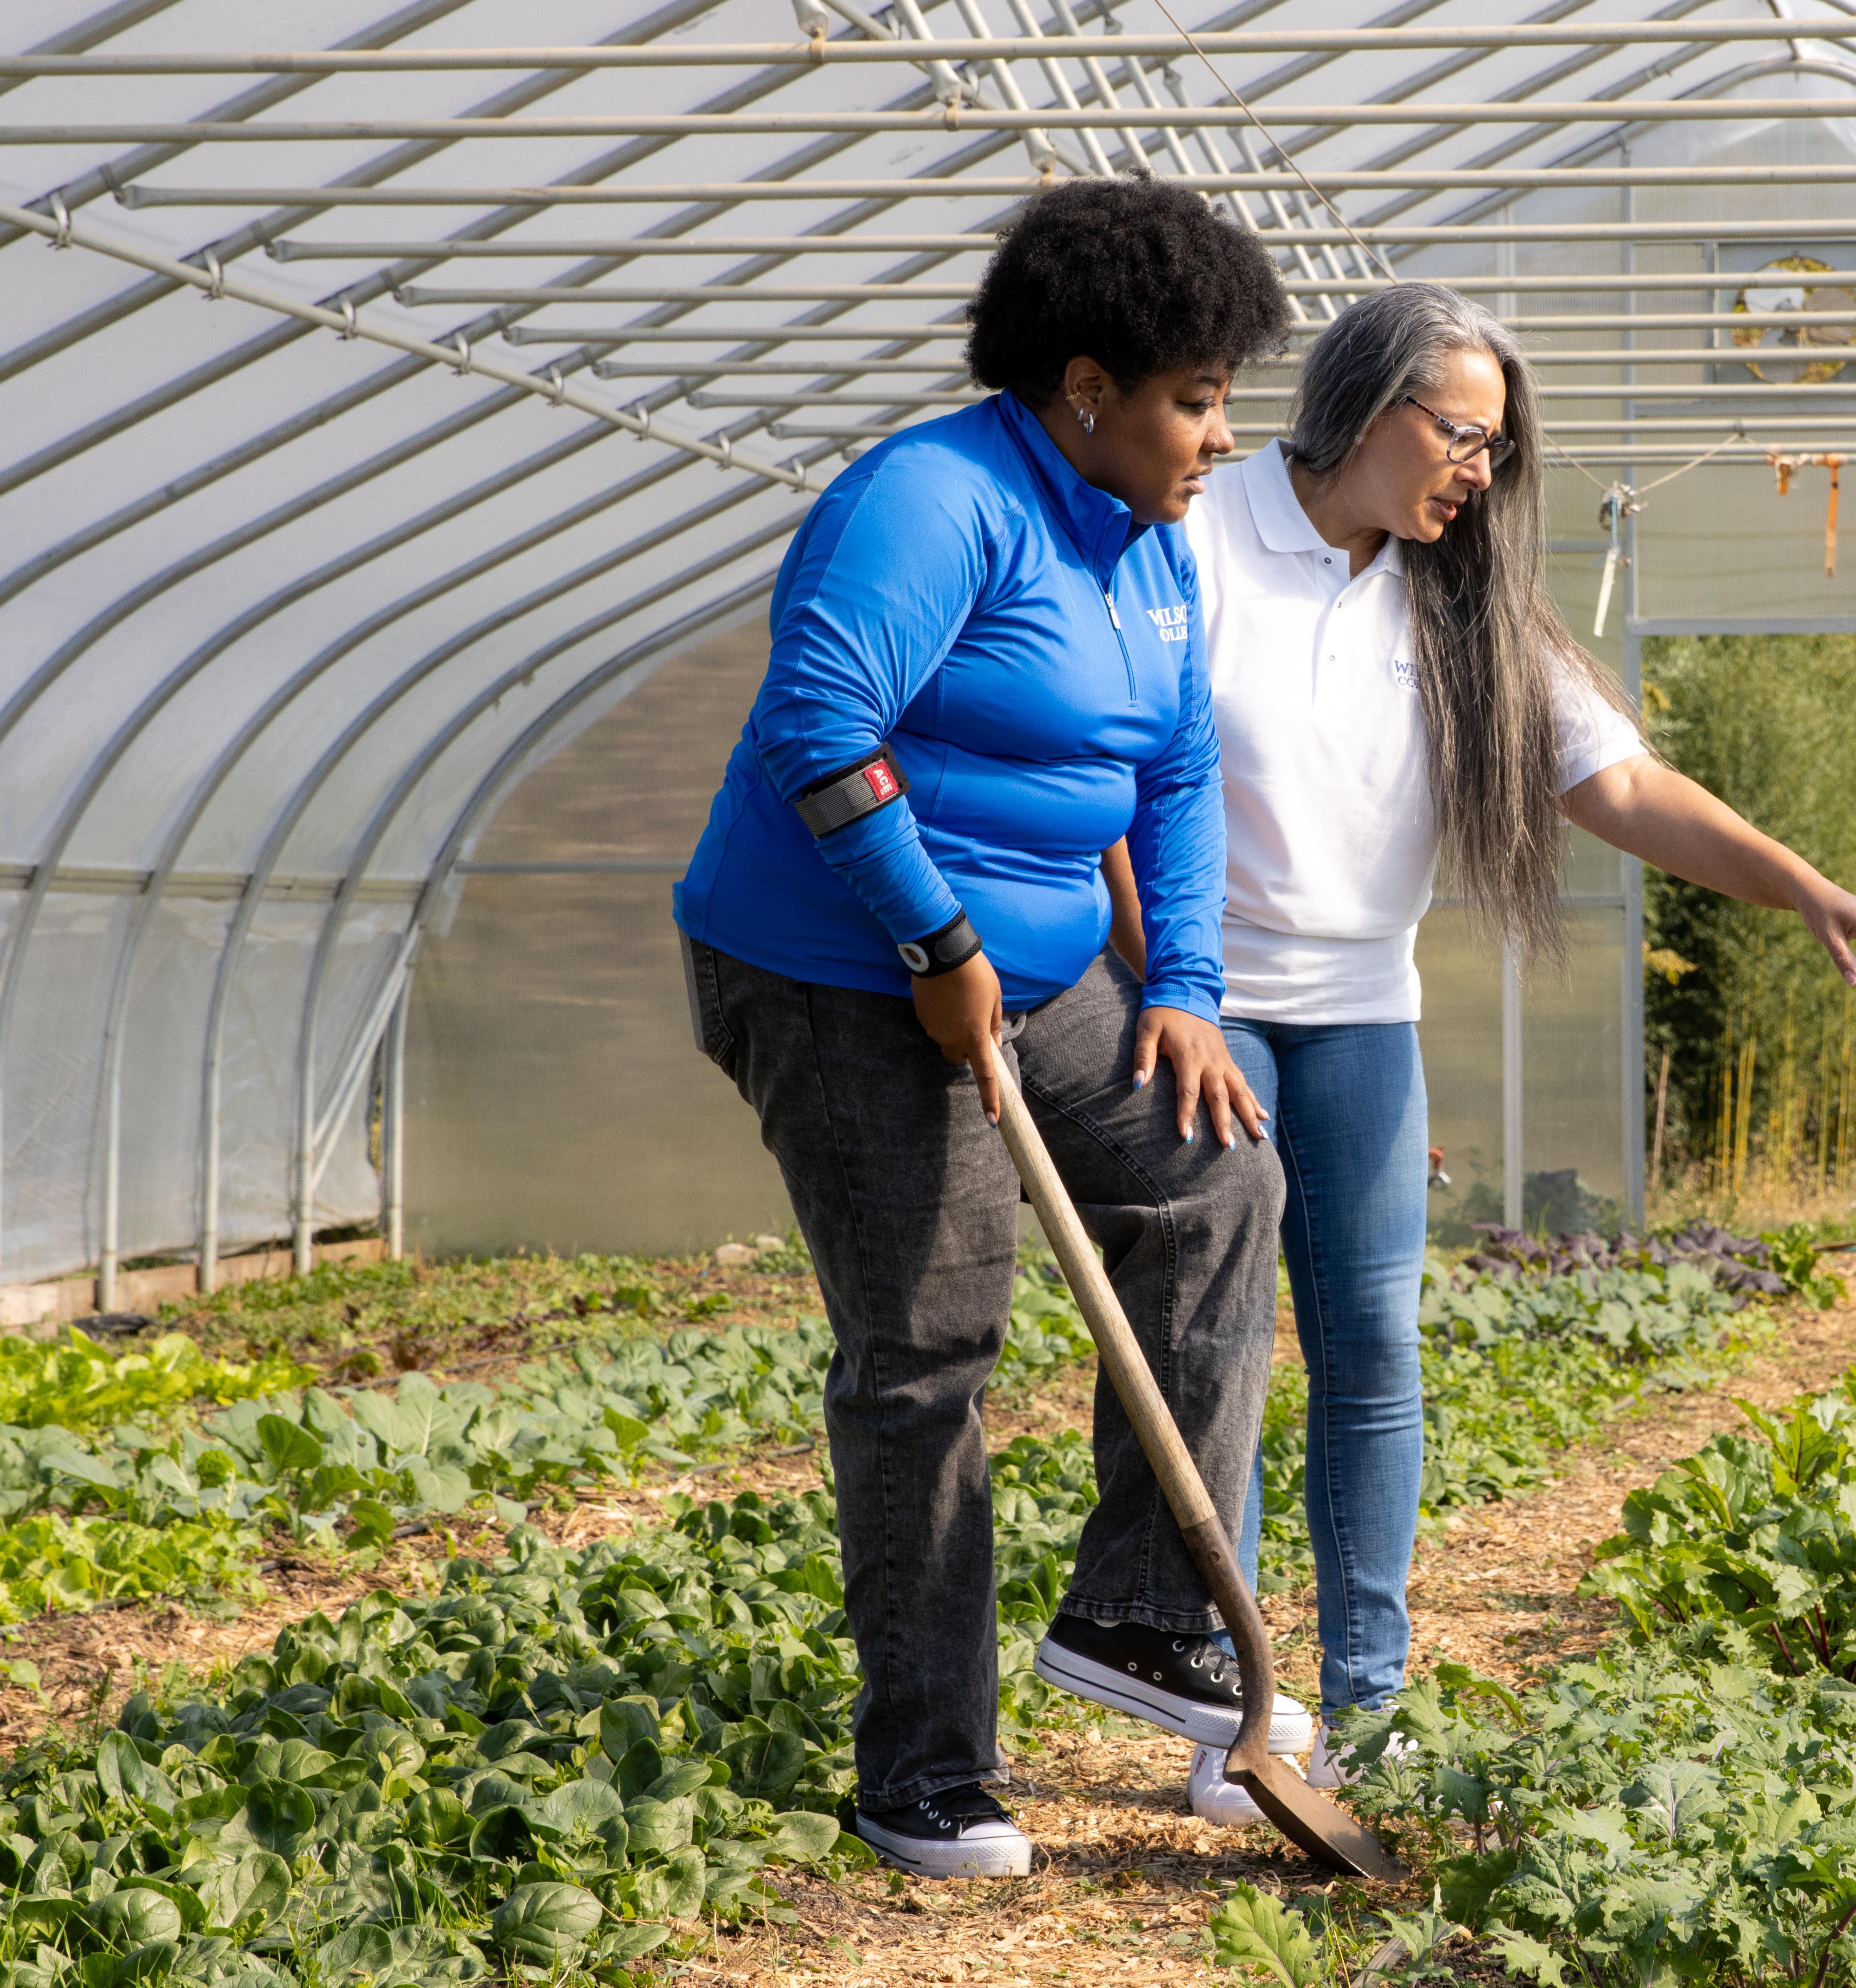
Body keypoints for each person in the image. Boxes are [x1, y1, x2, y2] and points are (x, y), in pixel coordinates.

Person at [1131, 280, 1856, 1826]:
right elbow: (1112, 771)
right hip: (1205, 1002)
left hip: (1367, 1008)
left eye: (1498, 451)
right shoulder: (1195, 535)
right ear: (1369, 408)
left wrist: (1808, 888)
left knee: (1372, 1353)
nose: (1480, 474)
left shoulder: (1462, 598)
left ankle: (1368, 1709)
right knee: (1225, 1356)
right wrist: (1152, 983)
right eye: (1464, 437)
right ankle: (1236, 1715)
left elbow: (1622, 783)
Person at [674, 176, 1305, 1880]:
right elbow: (822, 721)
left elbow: (1171, 773)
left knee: (1215, 1179)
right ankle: (925, 1769)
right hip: (833, 963)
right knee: (930, 1345)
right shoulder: (932, 501)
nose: (1220, 434)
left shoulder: (1147, 544)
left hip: (1034, 971)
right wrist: (933, 934)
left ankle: (1143, 1613)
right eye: (1195, 397)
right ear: (1085, 389)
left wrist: (1176, 986)